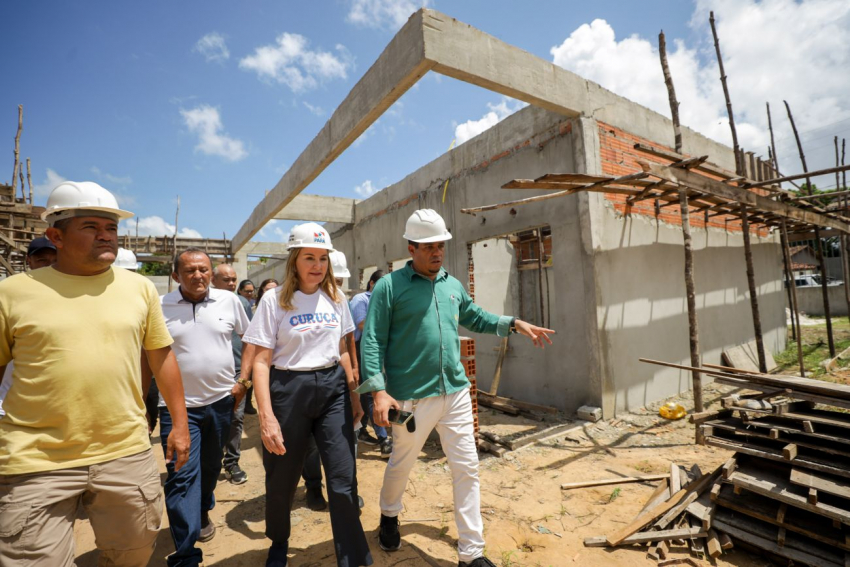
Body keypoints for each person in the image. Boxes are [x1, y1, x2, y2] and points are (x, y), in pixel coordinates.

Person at [0, 181, 190, 566]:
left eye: (111, 229)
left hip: (124, 449)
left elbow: (161, 357)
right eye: (91, 227)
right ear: (56, 235)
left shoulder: (139, 289)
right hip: (35, 458)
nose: (106, 236)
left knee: (133, 553)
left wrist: (181, 426)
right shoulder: (13, 292)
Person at [360, 209, 554, 567]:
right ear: (411, 247)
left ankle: (471, 553)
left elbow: (474, 317)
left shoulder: (451, 284)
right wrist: (378, 390)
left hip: (456, 390)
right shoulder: (389, 287)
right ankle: (389, 514)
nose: (437, 253)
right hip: (412, 396)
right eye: (430, 246)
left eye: (441, 246)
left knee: (467, 467)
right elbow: (371, 341)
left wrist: (513, 323)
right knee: (401, 464)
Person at [243, 222, 372, 567]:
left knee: (344, 479)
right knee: (282, 478)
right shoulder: (274, 300)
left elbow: (344, 351)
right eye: (309, 257)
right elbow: (260, 362)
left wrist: (355, 396)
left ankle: (353, 555)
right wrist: (266, 416)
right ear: (294, 261)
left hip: (333, 391)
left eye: (322, 258)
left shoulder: (336, 298)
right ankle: (279, 544)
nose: (317, 265)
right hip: (288, 390)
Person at [158, 249, 250, 566]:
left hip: (222, 403)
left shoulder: (229, 301)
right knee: (181, 474)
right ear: (175, 276)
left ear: (211, 272)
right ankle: (185, 554)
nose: (198, 275)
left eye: (204, 269)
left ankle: (201, 509)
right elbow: (150, 354)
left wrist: (244, 381)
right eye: (190, 270)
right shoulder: (160, 306)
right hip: (176, 408)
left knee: (210, 468)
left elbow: (250, 339)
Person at [0, 236, 58, 418]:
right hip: (9, 407)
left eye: (54, 260)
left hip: (51, 407)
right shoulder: (10, 294)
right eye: (42, 260)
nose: (48, 265)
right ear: (29, 260)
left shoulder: (69, 297)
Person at [213, 263, 254, 485]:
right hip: (212, 372)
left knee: (236, 417)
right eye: (225, 280)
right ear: (213, 280)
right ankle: (209, 460)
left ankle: (231, 462)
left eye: (233, 280)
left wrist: (245, 376)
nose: (230, 284)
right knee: (212, 418)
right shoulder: (203, 302)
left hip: (237, 369)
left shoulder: (242, 303)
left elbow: (249, 336)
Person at [349, 269, 391, 457]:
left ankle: (362, 430)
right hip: (359, 348)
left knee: (372, 390)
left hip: (375, 347)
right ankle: (383, 439)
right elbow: (362, 325)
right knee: (370, 391)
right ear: (372, 284)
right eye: (382, 284)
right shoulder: (361, 300)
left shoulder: (383, 301)